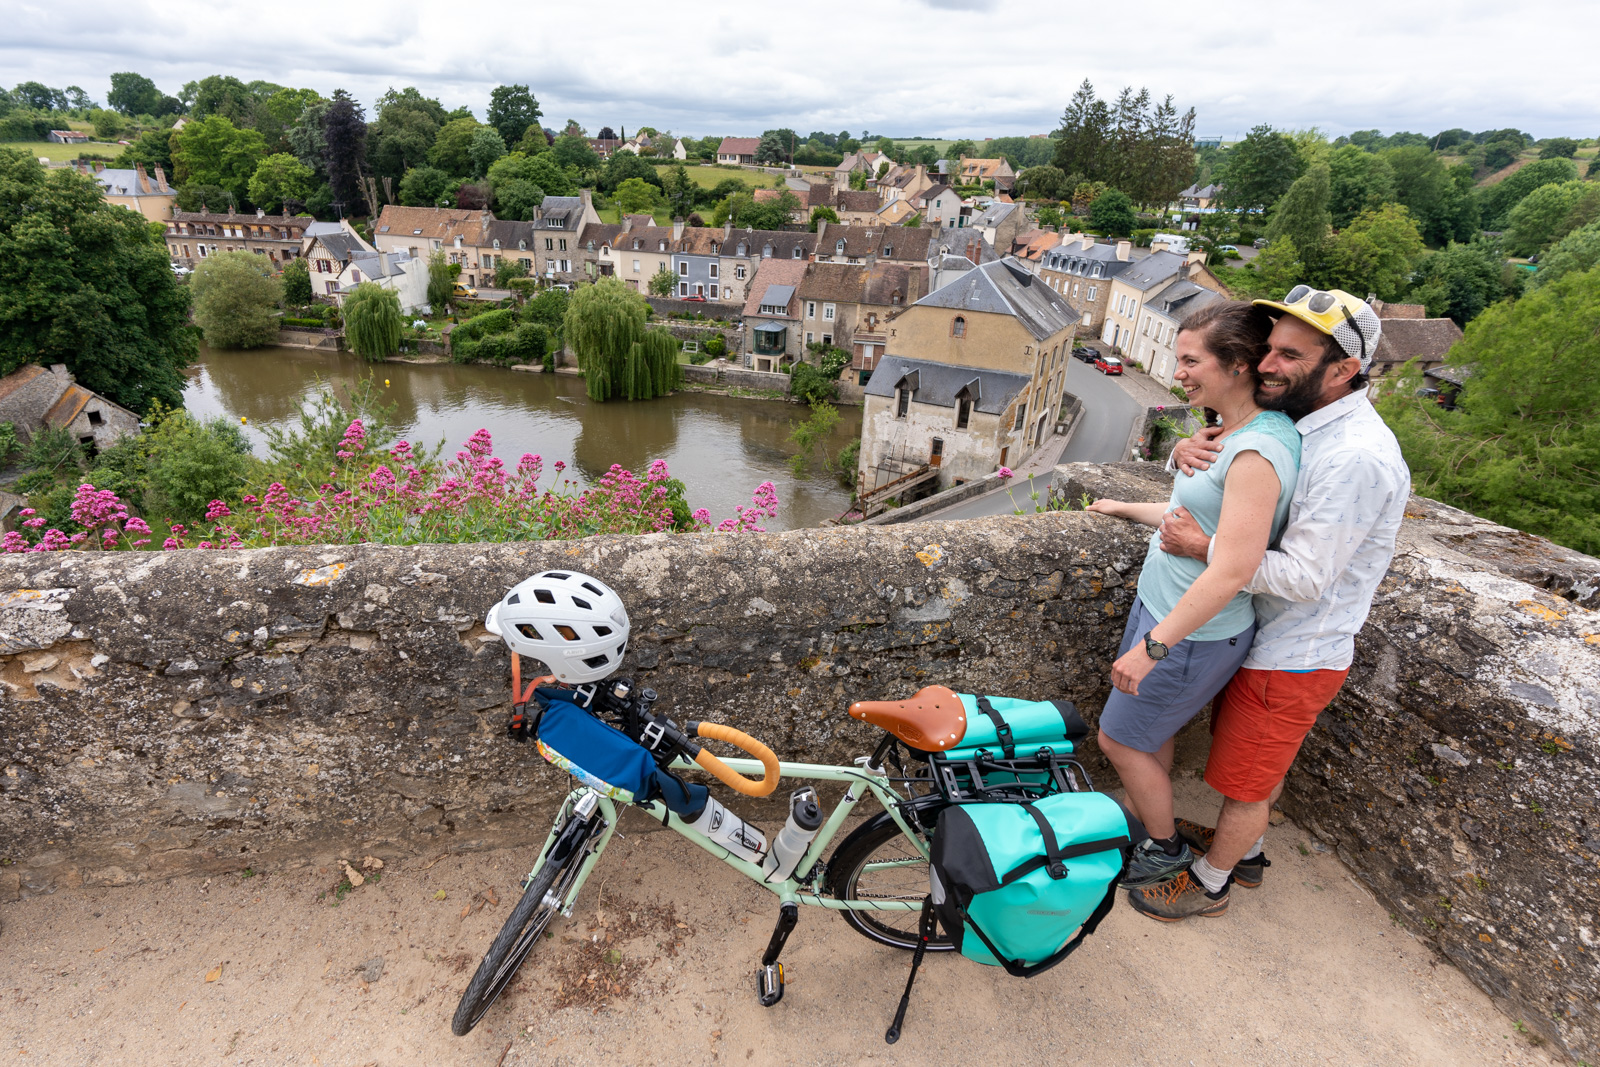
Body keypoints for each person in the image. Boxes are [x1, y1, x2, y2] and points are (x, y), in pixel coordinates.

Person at [1126, 286, 1410, 922]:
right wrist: (1185, 452)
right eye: (1269, 349)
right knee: (1247, 767)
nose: (1267, 365)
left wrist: (1207, 549)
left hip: (1297, 650)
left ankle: (1212, 882)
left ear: (1345, 371)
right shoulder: (1306, 420)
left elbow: (1307, 576)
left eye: (1291, 355)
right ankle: (1244, 854)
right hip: (1261, 632)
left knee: (1248, 778)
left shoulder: (1357, 456)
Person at [1085, 301, 1300, 901]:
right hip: (1166, 611)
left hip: (1190, 634)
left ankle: (1163, 852)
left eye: (1189, 360)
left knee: (1118, 740)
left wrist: (1154, 646)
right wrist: (1125, 506)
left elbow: (1232, 567)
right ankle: (1150, 822)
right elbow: (1192, 517)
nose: (1177, 371)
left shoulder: (1258, 452)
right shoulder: (1224, 434)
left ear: (1236, 365)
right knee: (1149, 737)